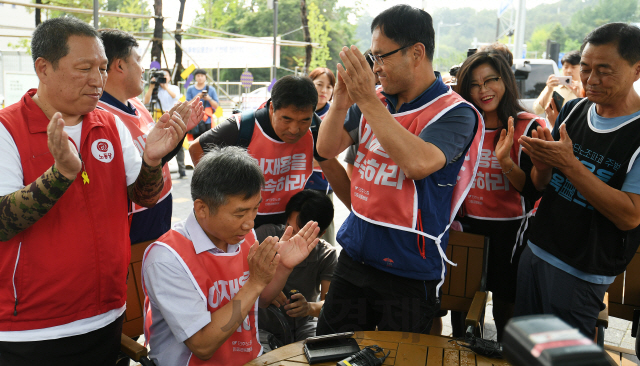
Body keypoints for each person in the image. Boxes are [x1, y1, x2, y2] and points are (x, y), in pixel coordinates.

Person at [0, 17, 187, 365]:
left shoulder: (110, 123)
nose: (98, 80)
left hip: (106, 315)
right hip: (32, 331)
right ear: (43, 68)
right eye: (84, 68)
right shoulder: (8, 129)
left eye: (102, 69)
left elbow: (142, 196)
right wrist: (60, 175)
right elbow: (3, 222)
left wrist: (152, 161)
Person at [315, 5, 483, 335]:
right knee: (329, 349)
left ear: (416, 53)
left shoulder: (456, 112)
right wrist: (340, 101)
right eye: (371, 57)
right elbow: (325, 149)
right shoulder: (374, 100)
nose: (375, 68)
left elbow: (418, 164)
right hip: (354, 255)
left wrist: (365, 101)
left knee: (397, 357)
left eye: (381, 57)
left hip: (409, 268)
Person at [515, 23, 640, 340]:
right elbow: (542, 184)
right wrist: (543, 165)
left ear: (637, 69)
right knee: (525, 349)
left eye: (605, 70)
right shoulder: (573, 110)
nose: (592, 80)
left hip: (583, 269)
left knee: (563, 356)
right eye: (586, 69)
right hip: (538, 248)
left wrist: (570, 165)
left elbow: (629, 215)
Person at [142, 146, 320, 366]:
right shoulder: (167, 258)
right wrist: (255, 282)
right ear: (202, 209)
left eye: (255, 208)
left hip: (248, 358)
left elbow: (262, 300)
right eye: (240, 213)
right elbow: (203, 345)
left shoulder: (242, 235)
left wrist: (283, 266)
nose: (250, 223)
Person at [453, 50, 545, 341]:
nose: (484, 90)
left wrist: (505, 163)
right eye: (474, 84)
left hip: (511, 230)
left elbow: (534, 191)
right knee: (463, 310)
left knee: (506, 310)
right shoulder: (460, 123)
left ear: (505, 80)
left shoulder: (528, 126)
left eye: (491, 80)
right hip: (465, 228)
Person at [189, 75, 349, 229]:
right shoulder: (242, 126)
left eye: (304, 120)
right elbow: (196, 148)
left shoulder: (314, 129)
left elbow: (332, 168)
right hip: (244, 222)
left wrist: (357, 211)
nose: (294, 129)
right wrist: (222, 197)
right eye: (286, 119)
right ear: (272, 107)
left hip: (286, 220)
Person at [98, 29, 203, 244]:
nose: (144, 68)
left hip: (160, 212)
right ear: (119, 65)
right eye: (138, 60)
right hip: (134, 226)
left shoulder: (136, 104)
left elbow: (155, 157)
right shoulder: (100, 117)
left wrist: (178, 131)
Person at [255, 189, 337, 349]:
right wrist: (266, 289)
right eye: (289, 227)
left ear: (321, 234)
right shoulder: (265, 236)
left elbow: (330, 305)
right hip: (262, 326)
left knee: (318, 351)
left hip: (303, 325)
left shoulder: (326, 255)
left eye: (303, 235)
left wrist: (308, 308)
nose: (293, 240)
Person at [304, 68, 338, 243]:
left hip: (321, 185)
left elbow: (332, 156)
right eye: (319, 85)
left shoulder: (334, 116)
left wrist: (299, 164)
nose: (324, 90)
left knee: (324, 238)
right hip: (295, 185)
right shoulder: (298, 110)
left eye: (329, 86)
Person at [533, 50, 583, 122]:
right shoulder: (553, 86)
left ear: (581, 68)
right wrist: (549, 90)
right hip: (554, 130)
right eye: (566, 67)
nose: (569, 71)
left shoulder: (585, 88)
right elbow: (537, 110)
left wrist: (580, 94)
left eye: (573, 67)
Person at [186, 69, 219, 138]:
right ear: (195, 77)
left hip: (207, 119)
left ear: (205, 77)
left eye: (202, 76)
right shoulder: (190, 89)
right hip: (195, 118)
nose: (200, 78)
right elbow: (187, 105)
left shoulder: (211, 89)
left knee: (208, 140)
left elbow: (216, 106)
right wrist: (196, 97)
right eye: (198, 76)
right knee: (196, 140)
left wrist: (209, 99)